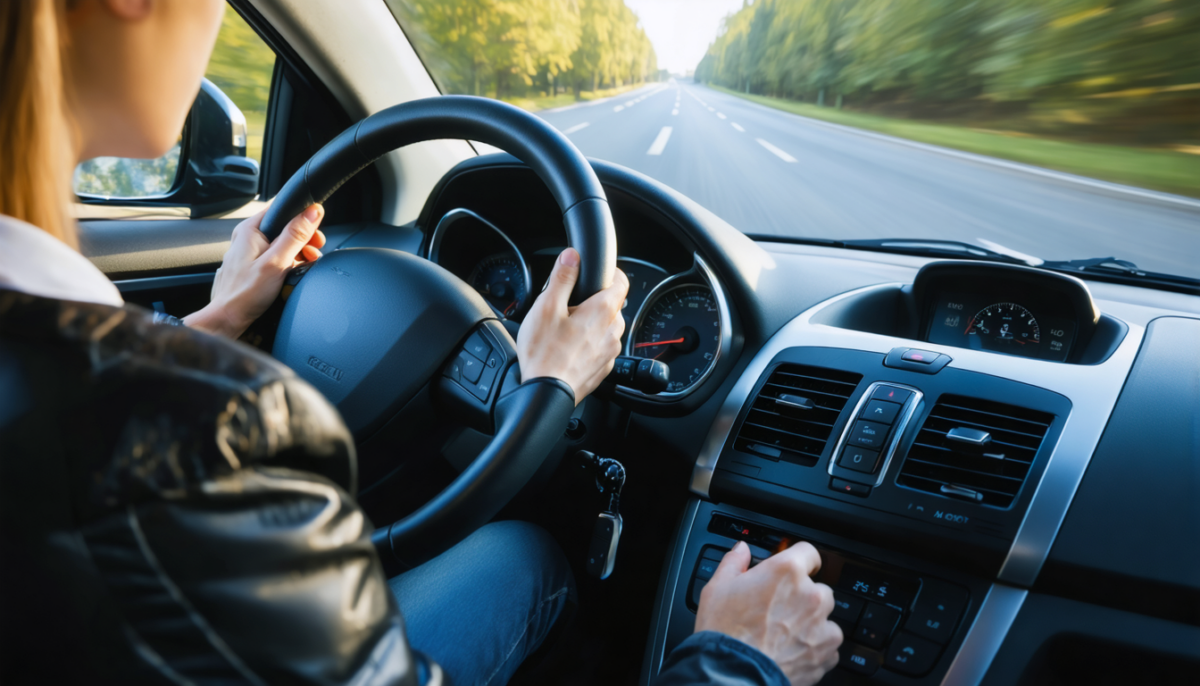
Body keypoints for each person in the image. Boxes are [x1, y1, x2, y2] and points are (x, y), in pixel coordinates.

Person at [0, 1, 841, 685]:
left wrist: (210, 327)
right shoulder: (182, 442)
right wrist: (741, 659)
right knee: (527, 554)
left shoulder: (93, 402)